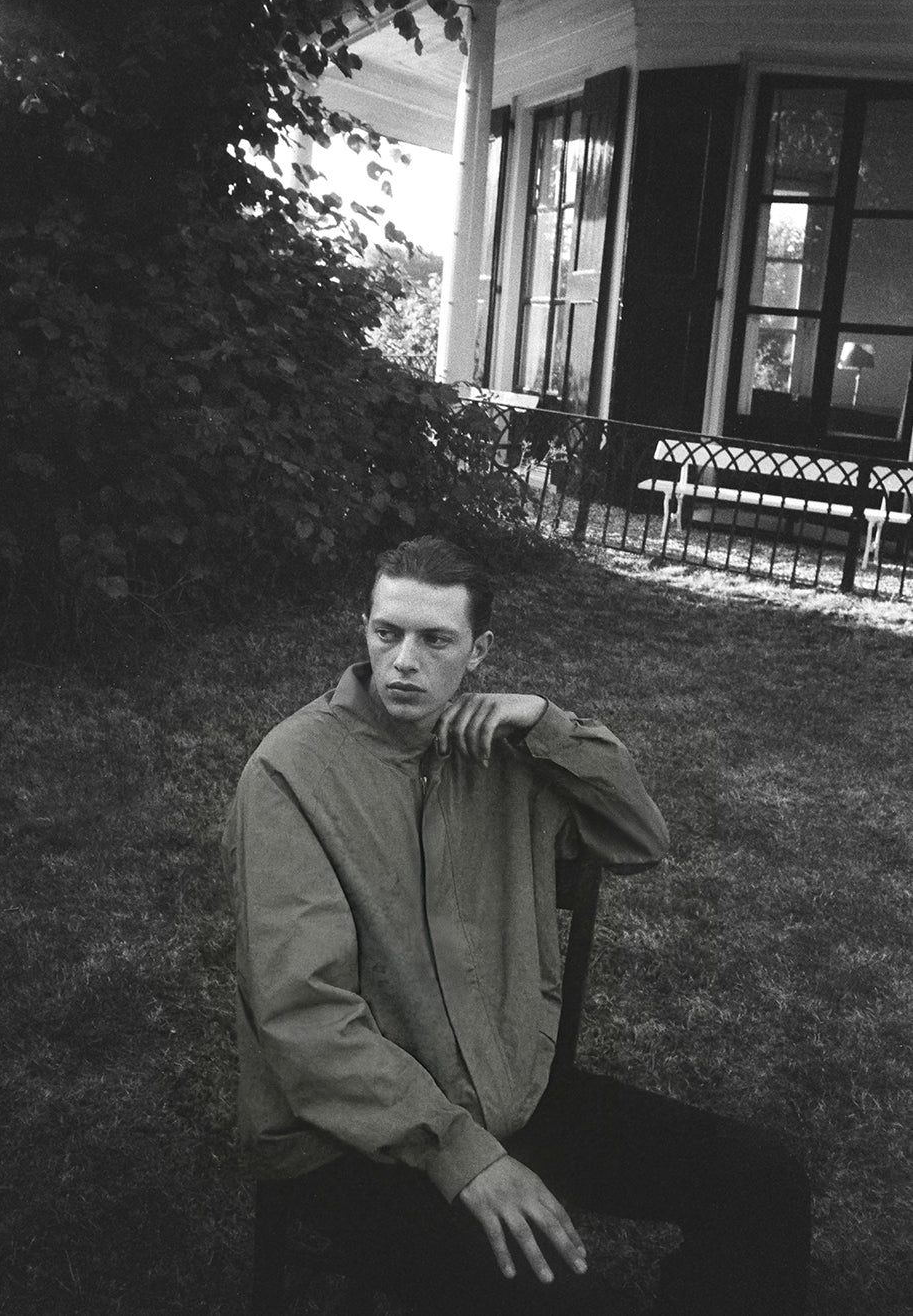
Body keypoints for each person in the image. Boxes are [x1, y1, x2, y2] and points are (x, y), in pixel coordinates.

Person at [221, 536, 811, 1315]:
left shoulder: (504, 754)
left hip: (508, 1094)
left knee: (764, 1181)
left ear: (479, 651)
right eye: (386, 632)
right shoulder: (289, 773)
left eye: (436, 640)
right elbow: (303, 1017)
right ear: (364, 627)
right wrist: (462, 1153)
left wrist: (546, 722)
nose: (404, 662)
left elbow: (641, 840)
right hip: (353, 1139)